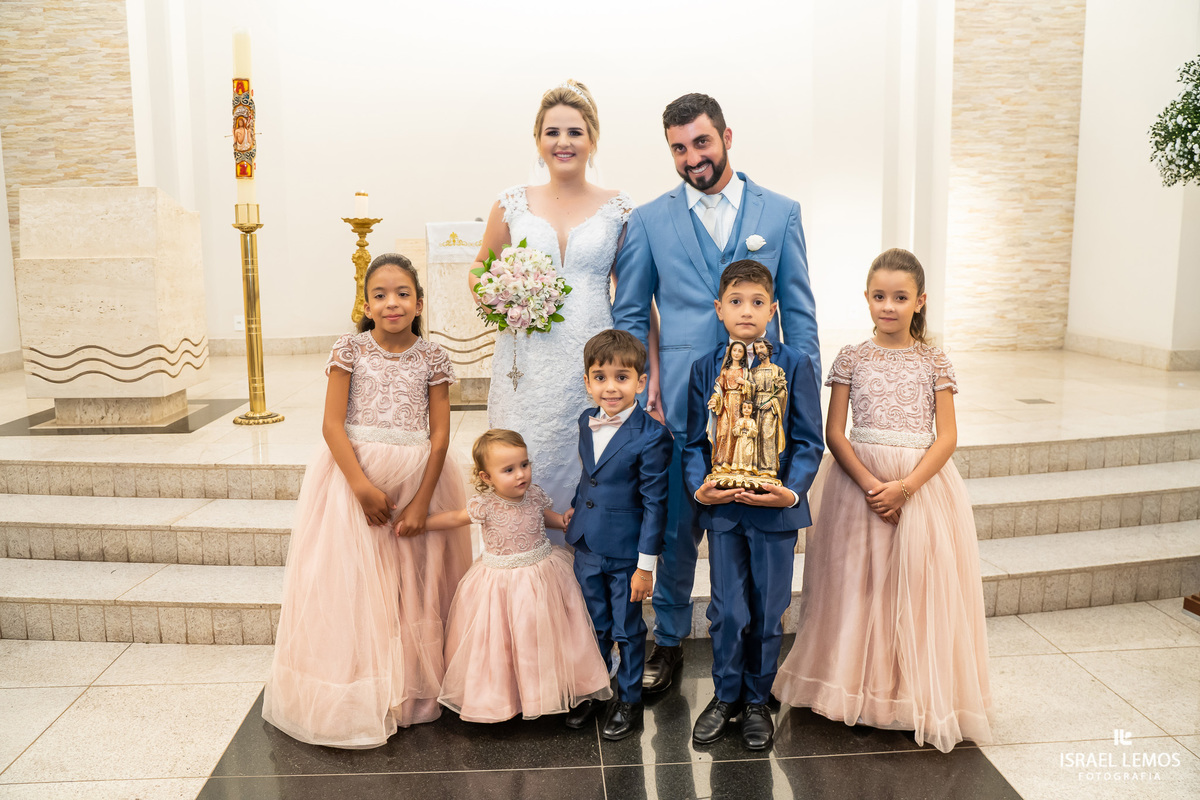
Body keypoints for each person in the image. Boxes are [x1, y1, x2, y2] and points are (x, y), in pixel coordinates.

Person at [611, 93, 819, 691]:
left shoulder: (779, 212)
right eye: (678, 147)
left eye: (700, 142)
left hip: (763, 410)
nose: (691, 157)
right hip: (676, 404)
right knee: (674, 533)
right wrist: (638, 390)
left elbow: (799, 313)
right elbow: (630, 314)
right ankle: (670, 642)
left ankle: (756, 657)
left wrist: (804, 400)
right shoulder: (650, 220)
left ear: (727, 136)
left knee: (753, 538)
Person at [772, 248, 992, 753]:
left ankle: (910, 691)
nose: (888, 306)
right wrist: (872, 484)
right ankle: (855, 687)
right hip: (857, 486)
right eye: (879, 296)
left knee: (915, 586)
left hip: (921, 487)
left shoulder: (934, 359)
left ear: (920, 302)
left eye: (900, 297)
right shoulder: (851, 356)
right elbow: (834, 431)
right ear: (866, 298)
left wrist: (906, 487)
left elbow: (947, 437)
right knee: (857, 584)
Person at [263, 254, 472, 748]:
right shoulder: (350, 350)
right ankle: (361, 687)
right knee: (357, 584)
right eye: (379, 294)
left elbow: (440, 435)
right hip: (352, 479)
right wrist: (359, 486)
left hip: (420, 478)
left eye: (402, 293)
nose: (391, 302)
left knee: (413, 583)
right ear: (366, 304)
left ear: (419, 303)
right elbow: (331, 424)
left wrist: (422, 502)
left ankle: (412, 688)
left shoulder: (433, 357)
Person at [470, 80, 633, 516]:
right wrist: (501, 296)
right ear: (538, 140)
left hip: (594, 361)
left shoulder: (619, 209)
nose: (563, 142)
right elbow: (479, 269)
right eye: (553, 132)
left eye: (575, 132)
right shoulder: (511, 204)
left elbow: (633, 292)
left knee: (591, 467)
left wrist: (645, 368)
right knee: (527, 458)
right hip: (527, 364)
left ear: (593, 140)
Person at [682, 260, 823, 752]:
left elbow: (808, 440)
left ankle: (758, 698)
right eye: (736, 302)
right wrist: (701, 489)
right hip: (723, 509)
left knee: (768, 609)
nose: (747, 311)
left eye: (758, 302)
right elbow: (692, 443)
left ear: (773, 308)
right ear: (719, 309)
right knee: (727, 609)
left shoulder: (795, 363)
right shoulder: (705, 368)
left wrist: (794, 489)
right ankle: (725, 696)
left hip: (776, 508)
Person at [430, 429, 613, 723]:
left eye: (524, 465)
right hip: (499, 584)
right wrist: (422, 523)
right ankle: (505, 697)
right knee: (502, 642)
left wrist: (562, 521)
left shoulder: (534, 495)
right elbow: (455, 518)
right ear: (486, 477)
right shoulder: (485, 504)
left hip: (542, 577)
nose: (520, 475)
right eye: (509, 470)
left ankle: (551, 690)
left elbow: (544, 516)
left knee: (544, 637)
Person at [560, 330, 673, 740]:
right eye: (601, 377)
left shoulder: (653, 436)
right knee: (594, 624)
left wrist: (646, 567)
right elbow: (591, 474)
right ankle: (595, 689)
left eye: (622, 377)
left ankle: (628, 700)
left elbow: (656, 504)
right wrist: (577, 505)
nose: (611, 387)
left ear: (640, 382)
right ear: (588, 381)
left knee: (627, 628)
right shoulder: (584, 421)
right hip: (587, 542)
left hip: (627, 553)